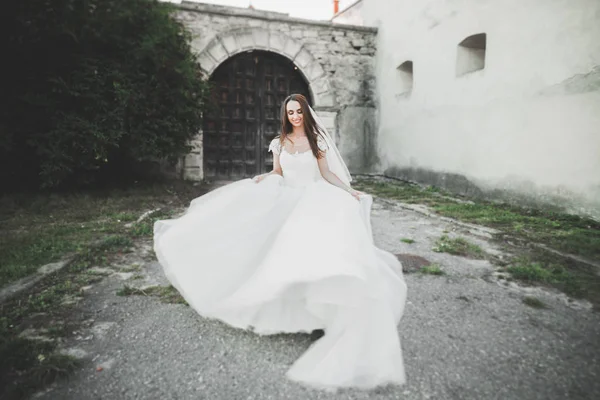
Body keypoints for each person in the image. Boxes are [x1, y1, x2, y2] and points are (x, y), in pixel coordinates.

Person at [153, 94, 407, 390]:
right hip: (286, 196)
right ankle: (289, 305)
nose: (296, 115)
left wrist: (350, 192)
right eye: (291, 112)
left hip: (313, 199)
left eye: (299, 111)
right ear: (285, 115)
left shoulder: (317, 142)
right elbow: (278, 171)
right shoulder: (279, 142)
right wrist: (265, 177)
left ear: (306, 112)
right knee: (276, 253)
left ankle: (321, 314)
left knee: (316, 254)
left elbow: (326, 174)